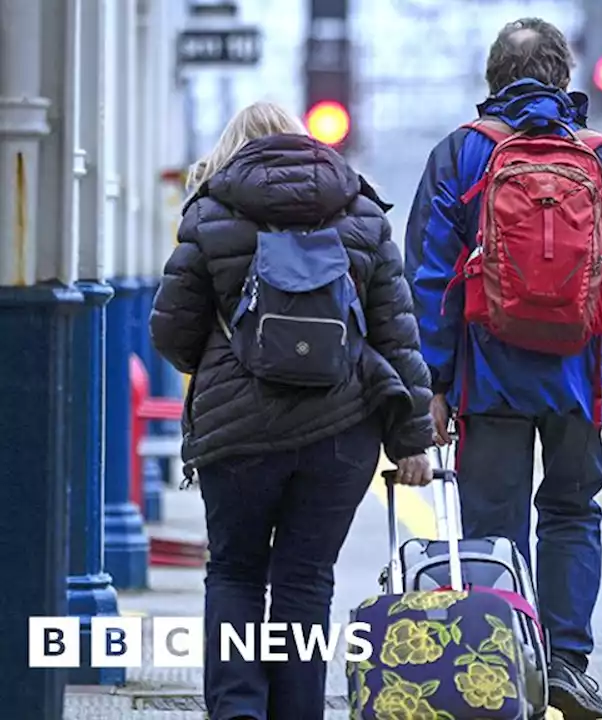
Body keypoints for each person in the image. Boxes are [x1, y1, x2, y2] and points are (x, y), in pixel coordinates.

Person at [405, 18, 602, 720]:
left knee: (491, 524)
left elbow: (428, 283)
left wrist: (431, 385)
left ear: (493, 78)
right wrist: (590, 316)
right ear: (564, 76)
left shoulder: (460, 155)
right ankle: (564, 666)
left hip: (487, 381)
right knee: (571, 512)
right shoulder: (601, 156)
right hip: (579, 381)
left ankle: (496, 665)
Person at [150, 101, 435, 720]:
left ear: (234, 151)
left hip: (238, 433)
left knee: (236, 573)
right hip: (342, 430)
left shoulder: (208, 216)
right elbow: (397, 334)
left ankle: (239, 712)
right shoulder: (364, 213)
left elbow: (171, 334)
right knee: (306, 579)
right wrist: (412, 440)